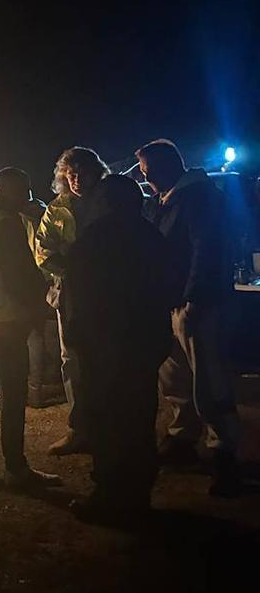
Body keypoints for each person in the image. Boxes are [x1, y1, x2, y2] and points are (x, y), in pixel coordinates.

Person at [65, 175, 181, 522]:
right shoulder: (151, 237)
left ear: (104, 203)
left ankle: (109, 495)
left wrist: (78, 336)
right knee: (139, 417)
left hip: (104, 347)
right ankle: (137, 494)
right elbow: (170, 286)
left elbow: (80, 299)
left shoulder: (92, 242)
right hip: (143, 346)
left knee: (107, 420)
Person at [137, 139, 242, 497]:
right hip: (170, 302)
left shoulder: (198, 199)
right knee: (175, 376)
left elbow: (206, 250)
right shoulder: (164, 201)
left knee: (209, 380)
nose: (145, 179)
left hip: (197, 303)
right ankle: (183, 437)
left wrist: (196, 297)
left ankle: (224, 452)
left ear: (168, 167)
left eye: (148, 172)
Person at [0, 168, 61, 490]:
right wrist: (39, 307)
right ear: (8, 191)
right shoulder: (7, 226)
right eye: (25, 191)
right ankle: (16, 468)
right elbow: (21, 277)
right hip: (6, 319)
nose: (29, 198)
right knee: (14, 393)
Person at [35, 146, 110, 455]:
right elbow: (43, 250)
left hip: (109, 293)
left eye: (83, 173)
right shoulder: (56, 209)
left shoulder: (110, 203)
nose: (77, 180)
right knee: (73, 359)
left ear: (97, 173)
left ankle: (111, 424)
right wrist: (71, 270)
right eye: (71, 175)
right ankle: (80, 428)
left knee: (109, 356)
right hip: (69, 293)